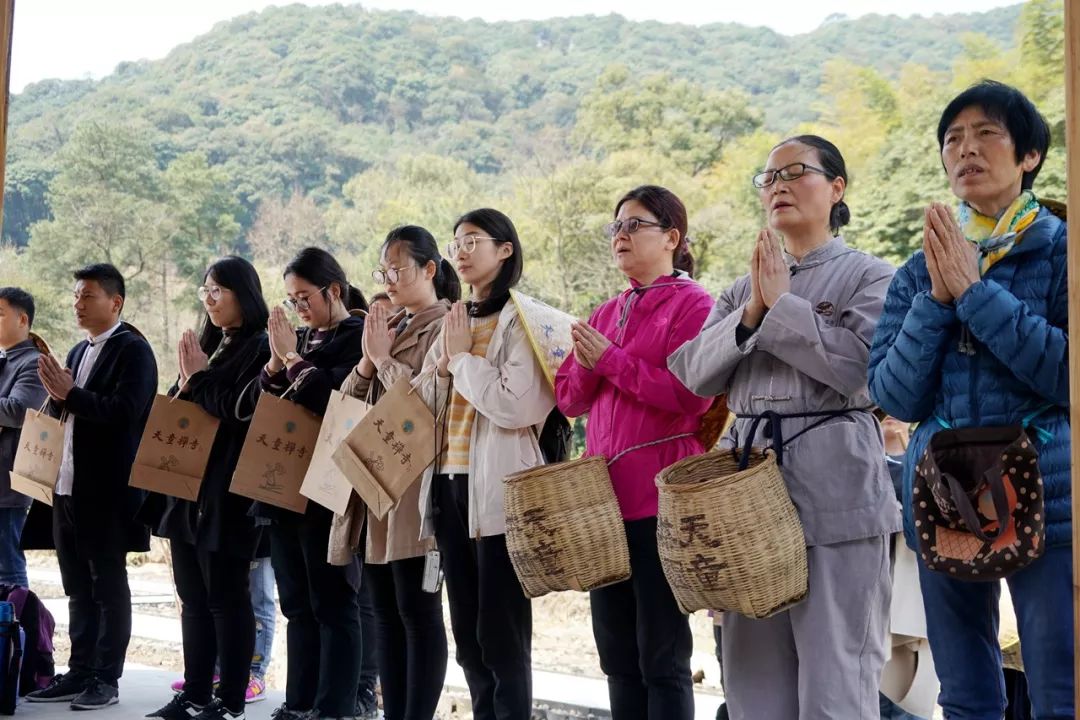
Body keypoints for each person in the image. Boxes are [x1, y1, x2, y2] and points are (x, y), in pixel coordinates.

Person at [668, 135, 900, 719]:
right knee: (753, 687)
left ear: (837, 188)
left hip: (838, 490)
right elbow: (693, 373)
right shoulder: (739, 290)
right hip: (745, 498)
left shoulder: (872, 276)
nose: (778, 185)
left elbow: (862, 372)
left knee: (836, 678)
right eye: (768, 178)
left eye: (796, 172)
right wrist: (752, 312)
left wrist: (784, 307)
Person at [868, 80, 1072, 719]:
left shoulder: (1064, 251)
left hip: (1049, 486)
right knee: (964, 690)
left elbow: (1066, 375)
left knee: (1061, 683)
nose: (967, 149)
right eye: (953, 138)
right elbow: (894, 392)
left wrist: (977, 294)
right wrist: (937, 297)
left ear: (1029, 156)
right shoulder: (918, 268)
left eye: (987, 134)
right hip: (947, 488)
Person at [554, 185, 714, 719]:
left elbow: (692, 397)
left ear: (672, 237)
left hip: (662, 497)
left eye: (634, 225)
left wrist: (612, 360)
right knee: (616, 653)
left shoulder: (696, 305)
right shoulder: (606, 310)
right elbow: (570, 399)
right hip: (603, 503)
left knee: (662, 652)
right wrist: (588, 360)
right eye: (616, 226)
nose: (620, 235)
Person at [414, 209, 555, 720]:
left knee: (503, 635)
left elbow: (516, 404)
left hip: (499, 492)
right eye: (457, 242)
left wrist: (460, 362)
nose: (462, 250)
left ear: (506, 250)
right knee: (468, 637)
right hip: (449, 488)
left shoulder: (525, 319)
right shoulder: (456, 319)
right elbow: (424, 399)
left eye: (474, 240)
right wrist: (438, 363)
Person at [26, 264, 158, 710]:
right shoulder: (79, 350)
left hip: (108, 490)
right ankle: (79, 668)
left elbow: (127, 412)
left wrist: (71, 395)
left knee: (108, 583)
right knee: (77, 585)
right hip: (68, 486)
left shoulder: (134, 351)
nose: (77, 304)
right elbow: (71, 409)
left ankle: (106, 677)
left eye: (88, 296)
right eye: (76, 296)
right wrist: (58, 396)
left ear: (115, 302)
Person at [145, 257, 270, 720]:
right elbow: (186, 406)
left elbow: (237, 412)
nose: (210, 298)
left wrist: (198, 377)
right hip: (186, 487)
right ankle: (195, 691)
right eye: (205, 291)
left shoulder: (260, 348)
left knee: (227, 596)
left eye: (219, 290)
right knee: (192, 597)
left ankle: (231, 700)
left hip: (228, 491)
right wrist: (187, 379)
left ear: (245, 294)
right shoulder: (210, 344)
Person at [339, 225, 456, 720]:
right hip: (378, 484)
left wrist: (384, 359)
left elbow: (426, 403)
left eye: (398, 269)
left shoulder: (446, 324)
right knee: (384, 615)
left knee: (418, 612)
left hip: (419, 488)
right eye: (383, 270)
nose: (388, 279)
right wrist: (369, 362)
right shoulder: (393, 326)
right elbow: (346, 404)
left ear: (430, 270)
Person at [255, 247, 367, 720]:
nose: (298, 308)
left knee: (333, 603)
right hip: (285, 488)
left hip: (329, 490)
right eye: (291, 300)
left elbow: (334, 396)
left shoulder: (359, 337)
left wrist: (293, 359)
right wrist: (277, 365)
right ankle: (298, 702)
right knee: (296, 604)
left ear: (334, 291)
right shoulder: (300, 341)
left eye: (304, 297)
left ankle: (334, 706)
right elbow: (260, 404)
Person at [0, 287, 47, 588]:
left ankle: (18, 633)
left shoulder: (33, 362)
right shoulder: (5, 360)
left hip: (8, 483)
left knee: (8, 568)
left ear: (23, 319)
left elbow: (18, 411)